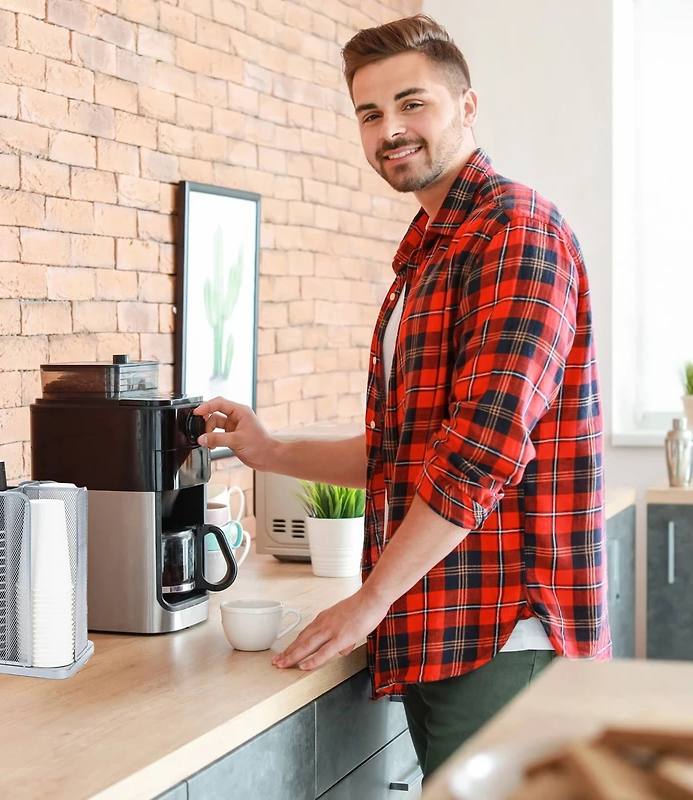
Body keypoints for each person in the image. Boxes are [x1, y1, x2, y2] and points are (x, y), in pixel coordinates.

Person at [193, 14, 610, 778]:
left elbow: (482, 451)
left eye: (412, 104)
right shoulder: (428, 256)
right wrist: (270, 448)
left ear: (467, 107)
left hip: (504, 637)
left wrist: (368, 600)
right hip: (445, 628)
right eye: (370, 113)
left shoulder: (515, 232)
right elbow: (405, 453)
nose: (391, 129)